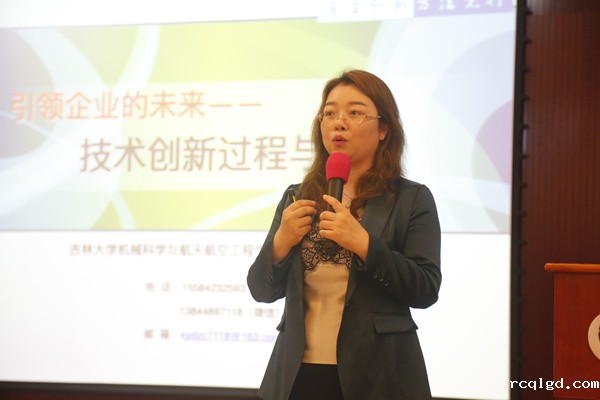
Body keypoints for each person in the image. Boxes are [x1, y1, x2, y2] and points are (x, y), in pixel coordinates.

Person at [247, 69, 441, 400]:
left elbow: (425, 289)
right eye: (330, 113)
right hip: (297, 375)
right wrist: (280, 244)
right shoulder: (297, 196)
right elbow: (261, 290)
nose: (339, 123)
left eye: (354, 112)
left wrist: (364, 244)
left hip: (379, 377)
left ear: (383, 129)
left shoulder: (411, 199)